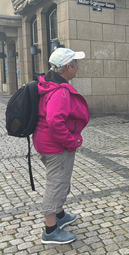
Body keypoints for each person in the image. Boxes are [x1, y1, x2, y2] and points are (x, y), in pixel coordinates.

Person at [33, 48, 90, 244]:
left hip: (45, 141)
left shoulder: (49, 84)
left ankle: (60, 215)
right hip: (56, 146)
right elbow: (55, 121)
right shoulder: (61, 92)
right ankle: (50, 231)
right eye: (76, 63)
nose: (78, 67)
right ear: (68, 67)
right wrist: (71, 142)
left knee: (60, 180)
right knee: (56, 185)